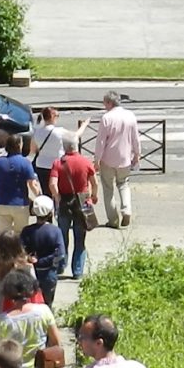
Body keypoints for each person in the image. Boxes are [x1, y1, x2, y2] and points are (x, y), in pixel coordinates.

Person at [48, 142, 98, 280]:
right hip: (82, 203)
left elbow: (52, 184)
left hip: (65, 202)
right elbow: (95, 183)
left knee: (62, 237)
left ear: (65, 148)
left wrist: (57, 198)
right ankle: (77, 271)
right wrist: (94, 196)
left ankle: (61, 266)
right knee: (80, 238)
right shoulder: (86, 162)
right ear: (77, 147)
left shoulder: (58, 163)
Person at [94, 93, 140, 229]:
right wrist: (137, 154)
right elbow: (135, 138)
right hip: (125, 157)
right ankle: (126, 210)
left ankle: (113, 219)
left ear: (109, 103)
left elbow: (101, 141)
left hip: (108, 158)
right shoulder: (130, 115)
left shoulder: (106, 118)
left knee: (108, 189)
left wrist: (97, 159)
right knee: (124, 184)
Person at [0, 130, 37, 236]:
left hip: (1, 202)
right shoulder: (25, 163)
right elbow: (32, 184)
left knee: (3, 234)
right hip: (20, 204)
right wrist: (39, 196)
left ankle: (5, 252)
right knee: (21, 233)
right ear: (19, 145)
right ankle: (18, 251)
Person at [20, 194, 66, 306]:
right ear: (50, 212)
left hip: (30, 272)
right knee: (47, 304)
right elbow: (60, 253)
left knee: (30, 303)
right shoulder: (55, 231)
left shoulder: (27, 231)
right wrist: (46, 261)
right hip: (49, 273)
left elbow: (20, 250)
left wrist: (29, 259)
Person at [32, 106, 71, 187]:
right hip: (57, 165)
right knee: (58, 190)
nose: (57, 118)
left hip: (41, 165)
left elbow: (33, 150)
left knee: (46, 191)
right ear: (52, 117)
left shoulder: (37, 132)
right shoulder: (59, 131)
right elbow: (74, 136)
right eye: (57, 116)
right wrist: (84, 126)